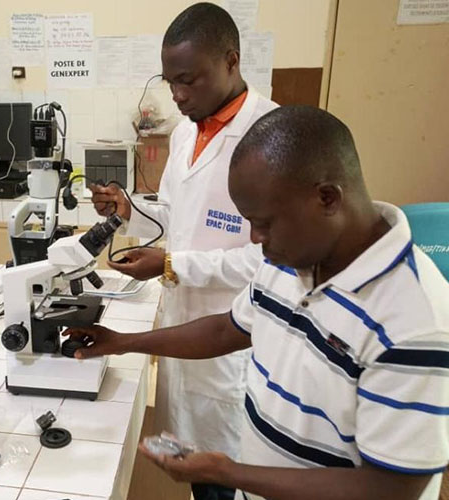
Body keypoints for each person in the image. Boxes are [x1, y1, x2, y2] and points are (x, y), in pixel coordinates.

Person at [69, 106, 449, 500]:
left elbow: (390, 489)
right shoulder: (290, 262)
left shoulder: (421, 327)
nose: (254, 239)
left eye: (264, 223)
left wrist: (227, 472)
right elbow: (226, 329)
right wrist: (122, 342)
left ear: (327, 198)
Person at [91, 4, 276, 499]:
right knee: (195, 472)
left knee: (231, 474)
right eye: (170, 81)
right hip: (184, 330)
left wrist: (173, 264)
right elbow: (175, 213)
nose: (176, 95)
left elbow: (269, 259)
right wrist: (129, 209)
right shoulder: (185, 132)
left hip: (236, 337)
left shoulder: (271, 136)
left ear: (231, 61)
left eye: (188, 80)